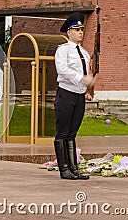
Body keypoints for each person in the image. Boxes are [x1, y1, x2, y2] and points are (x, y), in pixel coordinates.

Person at [54, 12, 95, 180]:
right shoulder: (62, 50)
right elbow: (62, 69)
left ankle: (74, 169)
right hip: (66, 93)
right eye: (77, 29)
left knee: (72, 133)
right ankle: (64, 169)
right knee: (62, 133)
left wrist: (87, 90)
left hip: (79, 95)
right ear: (68, 32)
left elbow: (87, 72)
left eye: (82, 29)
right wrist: (81, 79)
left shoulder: (84, 53)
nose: (80, 32)